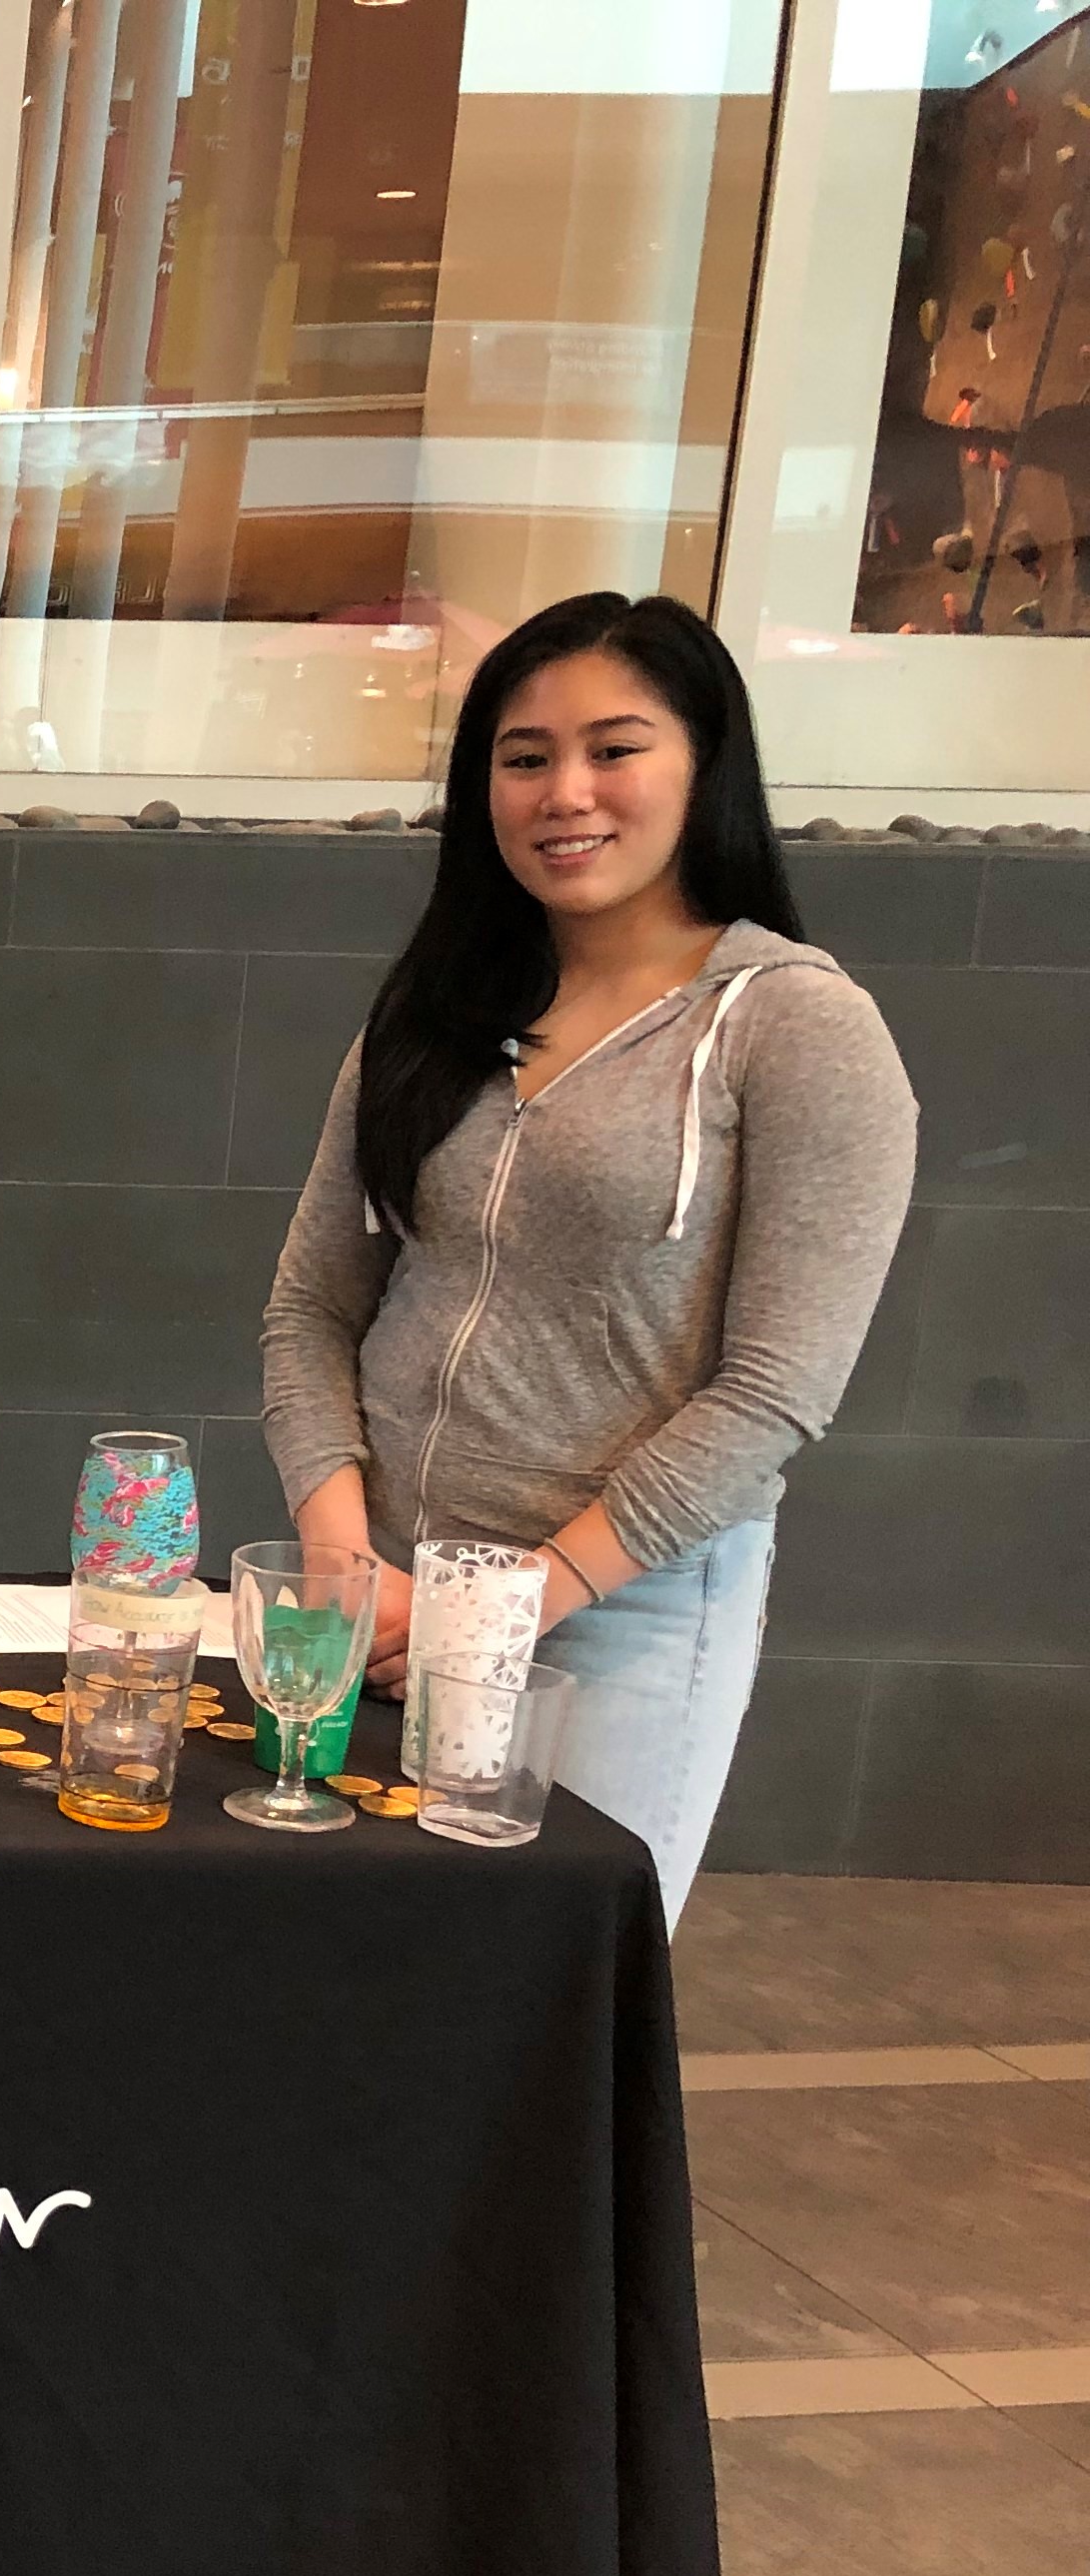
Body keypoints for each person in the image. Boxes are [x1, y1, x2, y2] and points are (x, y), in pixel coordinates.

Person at [260, 590, 914, 1925]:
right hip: (372, 1597)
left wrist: (514, 1604)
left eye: (616, 748)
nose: (567, 791)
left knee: (538, 2016)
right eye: (523, 757)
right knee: (337, 1992)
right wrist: (340, 1557)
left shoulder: (796, 1029)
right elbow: (313, 1304)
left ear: (704, 766)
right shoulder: (438, 1014)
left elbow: (774, 1393)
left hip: (617, 1625)